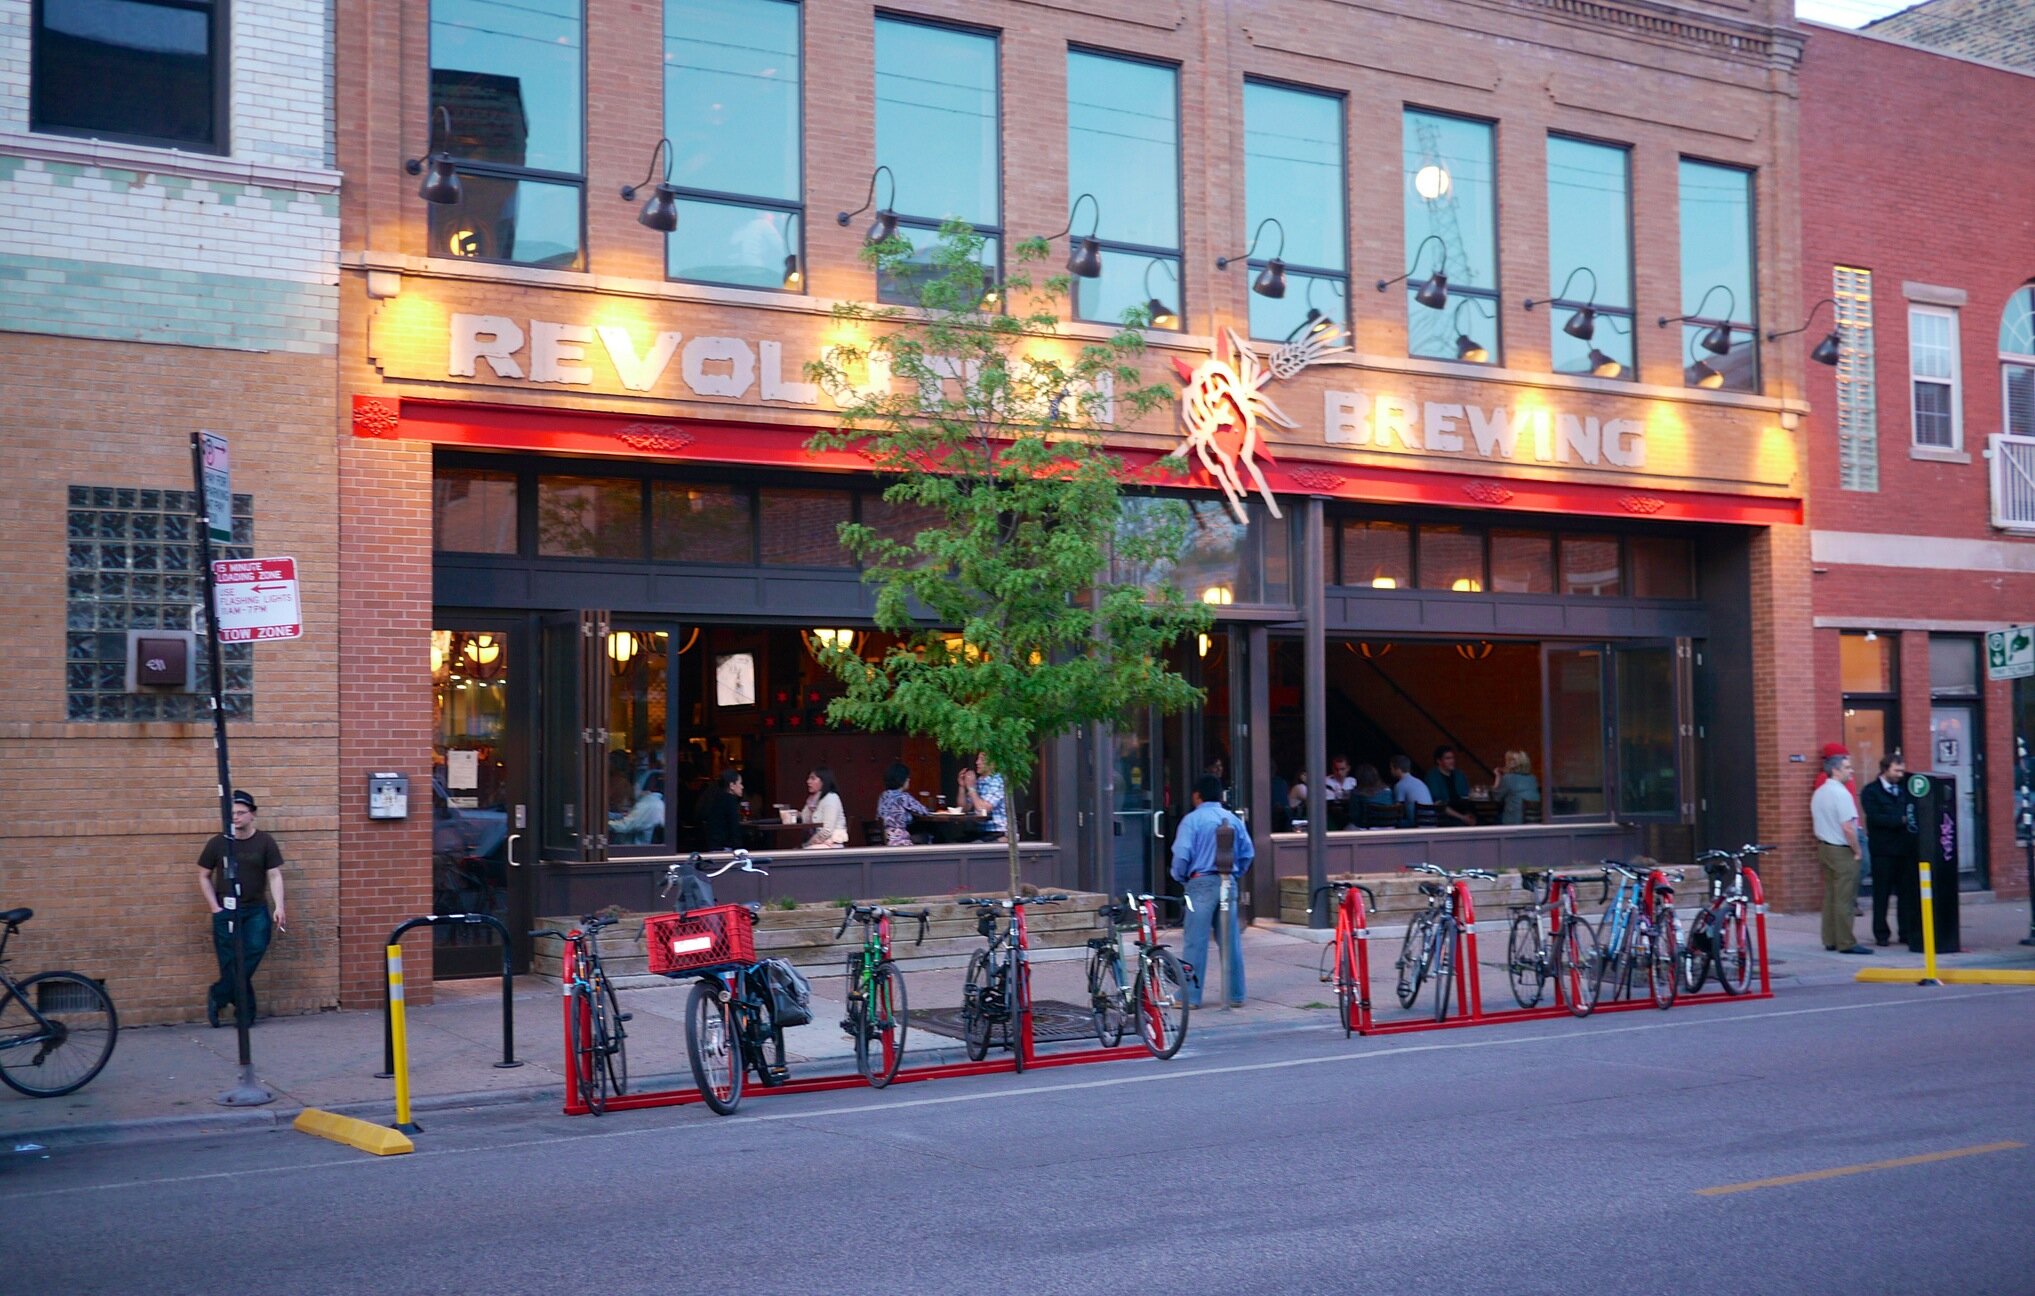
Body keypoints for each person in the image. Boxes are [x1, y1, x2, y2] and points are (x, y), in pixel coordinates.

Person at [196, 789, 287, 1028]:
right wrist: (214, 907)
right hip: (225, 911)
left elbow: (275, 875)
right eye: (232, 813)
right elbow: (203, 876)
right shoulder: (218, 843)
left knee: (253, 950)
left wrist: (279, 906)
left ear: (252, 814)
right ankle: (245, 1013)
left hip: (255, 910)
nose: (235, 817)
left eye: (241, 812)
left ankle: (219, 994)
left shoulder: (265, 842)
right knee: (230, 962)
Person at [1170, 774, 1254, 1009]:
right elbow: (1247, 853)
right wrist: (1235, 873)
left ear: (1197, 796)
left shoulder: (1192, 820)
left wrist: (1180, 877)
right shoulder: (1233, 819)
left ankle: (1190, 996)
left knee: (1195, 941)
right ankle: (1236, 993)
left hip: (1201, 881)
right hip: (1228, 880)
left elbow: (1182, 854)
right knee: (1230, 940)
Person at [1859, 753, 1921, 950]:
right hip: (1883, 851)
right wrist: (1900, 820)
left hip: (1905, 850)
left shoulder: (1905, 788)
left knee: (1906, 894)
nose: (1900, 774)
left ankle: (1906, 932)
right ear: (1885, 769)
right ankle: (1881, 933)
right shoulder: (1871, 791)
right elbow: (1875, 817)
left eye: (1902, 770)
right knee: (1882, 894)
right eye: (1896, 770)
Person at [1812, 752, 1872, 954]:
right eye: (1847, 767)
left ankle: (1830, 939)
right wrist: (1857, 850)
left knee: (1830, 896)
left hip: (1824, 847)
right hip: (1841, 849)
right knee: (1845, 898)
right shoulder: (1842, 794)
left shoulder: (1820, 792)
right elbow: (1848, 827)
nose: (1851, 771)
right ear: (1835, 770)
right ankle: (1846, 942)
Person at [608, 770, 665, 845]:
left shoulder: (647, 804)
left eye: (636, 786)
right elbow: (633, 818)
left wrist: (605, 823)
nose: (633, 789)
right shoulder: (655, 802)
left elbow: (624, 826)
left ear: (645, 789)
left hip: (634, 849)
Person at [1424, 745, 1476, 826]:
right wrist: (1462, 817)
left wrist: (1469, 816)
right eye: (1448, 758)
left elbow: (1466, 797)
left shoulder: (1459, 774)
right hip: (1444, 816)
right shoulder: (1432, 776)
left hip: (1462, 811)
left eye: (1453, 758)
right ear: (1439, 761)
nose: (1452, 761)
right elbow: (1439, 804)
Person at [964, 751, 1007, 840]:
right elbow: (965, 808)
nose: (977, 762)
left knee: (972, 845)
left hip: (997, 832)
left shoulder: (997, 781)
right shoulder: (978, 781)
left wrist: (971, 788)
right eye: (977, 759)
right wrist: (962, 786)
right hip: (979, 832)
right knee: (953, 843)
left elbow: (983, 809)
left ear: (993, 764)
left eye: (982, 760)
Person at [801, 767, 848, 848]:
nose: (808, 781)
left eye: (813, 778)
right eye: (809, 778)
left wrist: (808, 844)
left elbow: (827, 831)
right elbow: (805, 822)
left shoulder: (831, 798)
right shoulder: (814, 799)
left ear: (823, 781)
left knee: (798, 853)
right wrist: (809, 808)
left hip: (830, 844)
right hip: (818, 844)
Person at [700, 767, 745, 851]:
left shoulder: (717, 798)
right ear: (732, 785)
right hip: (725, 848)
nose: (742, 787)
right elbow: (734, 826)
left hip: (714, 845)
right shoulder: (730, 800)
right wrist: (739, 847)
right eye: (740, 783)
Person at [877, 761, 919, 848]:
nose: (909, 780)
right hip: (900, 841)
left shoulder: (883, 796)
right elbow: (923, 811)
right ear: (901, 779)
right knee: (929, 834)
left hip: (886, 838)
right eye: (907, 777)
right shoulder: (904, 797)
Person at [1492, 750, 1541, 825]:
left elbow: (1496, 798)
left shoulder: (1508, 778)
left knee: (1494, 819)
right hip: (1533, 821)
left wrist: (1498, 777)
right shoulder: (1533, 778)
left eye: (1509, 761)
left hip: (1514, 821)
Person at [1389, 754, 1433, 826]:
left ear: (1398, 769)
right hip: (1431, 823)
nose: (1391, 771)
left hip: (1416, 824)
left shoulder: (1400, 785)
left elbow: (1397, 810)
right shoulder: (1419, 782)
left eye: (1391, 768)